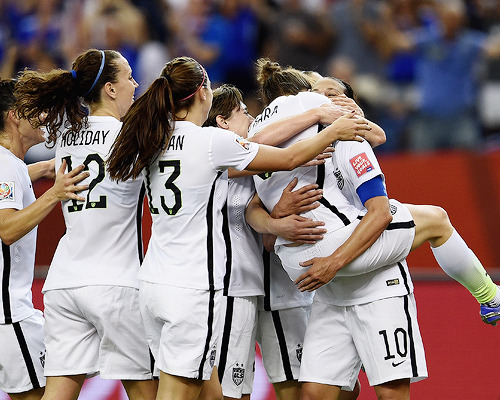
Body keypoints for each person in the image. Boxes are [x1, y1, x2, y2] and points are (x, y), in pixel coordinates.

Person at [105, 56, 372, 400]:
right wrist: (331, 130)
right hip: (193, 288)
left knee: (212, 395)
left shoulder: (154, 140)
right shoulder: (212, 142)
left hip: (153, 283)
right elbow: (287, 158)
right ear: (203, 93)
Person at [204, 83, 366, 400]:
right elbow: (280, 154)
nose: (252, 118)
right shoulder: (217, 150)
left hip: (258, 283)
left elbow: (251, 210)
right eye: (243, 112)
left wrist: (276, 220)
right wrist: (319, 121)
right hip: (229, 285)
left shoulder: (245, 160)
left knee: (326, 385)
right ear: (222, 121)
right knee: (226, 392)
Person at [15, 49, 158, 400]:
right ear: (110, 88)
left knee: (59, 393)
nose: (135, 84)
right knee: (146, 393)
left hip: (63, 284)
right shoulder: (132, 138)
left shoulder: (67, 136)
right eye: (128, 77)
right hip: (116, 284)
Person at [0, 78, 88, 400]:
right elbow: (7, 229)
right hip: (10, 314)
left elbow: (13, 176)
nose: (41, 116)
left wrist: (41, 169)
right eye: (32, 110)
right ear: (14, 116)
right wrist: (55, 193)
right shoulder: (6, 167)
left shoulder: (11, 166)